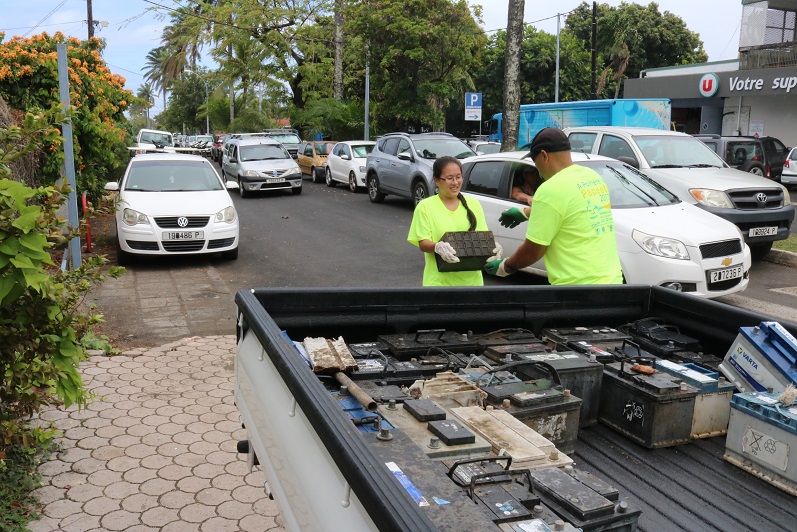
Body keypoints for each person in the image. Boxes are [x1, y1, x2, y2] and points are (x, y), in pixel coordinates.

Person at [484, 127, 623, 285]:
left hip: (578, 290)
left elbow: (534, 250)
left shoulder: (550, 189)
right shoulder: (593, 177)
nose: (538, 171)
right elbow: (572, 211)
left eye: (535, 163)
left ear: (544, 156)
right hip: (612, 283)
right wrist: (525, 212)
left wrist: (506, 266)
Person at [408, 156, 500, 286]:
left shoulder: (473, 204)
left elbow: (481, 237)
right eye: (449, 178)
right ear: (436, 180)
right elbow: (423, 243)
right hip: (439, 283)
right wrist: (437, 246)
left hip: (472, 283)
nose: (455, 182)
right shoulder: (425, 207)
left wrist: (492, 246)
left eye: (458, 177)